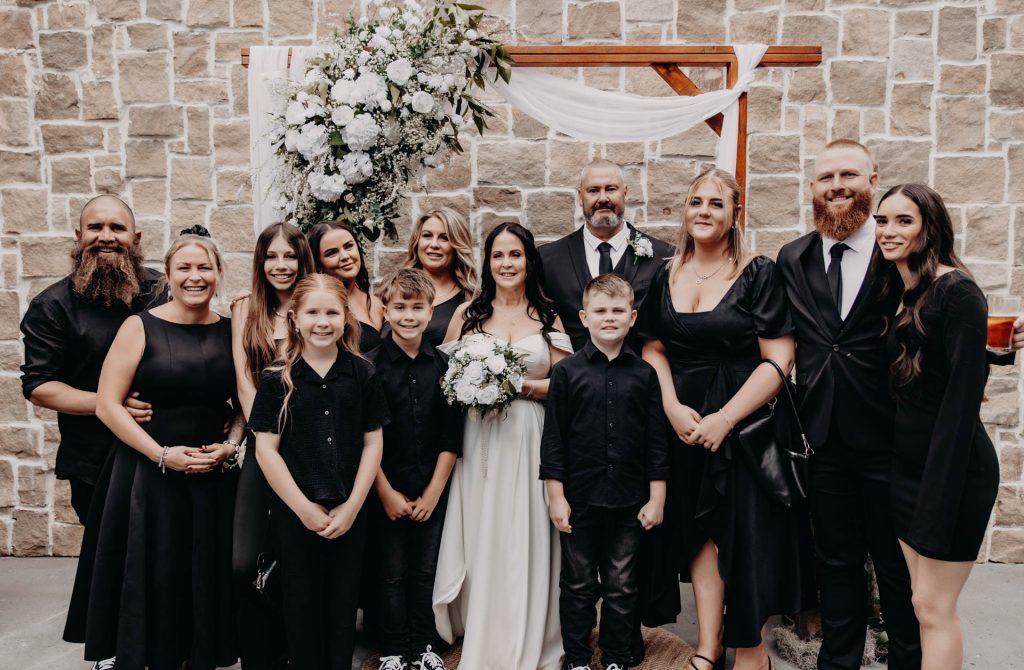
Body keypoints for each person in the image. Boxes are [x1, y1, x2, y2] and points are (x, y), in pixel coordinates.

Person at [638, 169, 815, 670]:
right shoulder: (664, 273)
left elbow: (779, 359)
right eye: (696, 201)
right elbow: (652, 346)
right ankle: (708, 645)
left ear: (735, 212)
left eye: (717, 203)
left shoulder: (758, 273)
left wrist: (725, 418)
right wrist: (671, 405)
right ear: (684, 209)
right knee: (700, 532)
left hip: (744, 422)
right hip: (684, 421)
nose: (704, 211)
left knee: (744, 534)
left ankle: (752, 649)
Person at [64, 227, 242, 670]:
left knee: (203, 571)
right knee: (155, 569)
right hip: (148, 470)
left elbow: (245, 403)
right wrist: (162, 455)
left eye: (204, 267)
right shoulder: (138, 326)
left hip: (212, 471)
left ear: (219, 273)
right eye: (185, 268)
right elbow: (108, 405)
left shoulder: (233, 330)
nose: (195, 276)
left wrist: (231, 445)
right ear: (168, 273)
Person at [776, 139, 924, 670]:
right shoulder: (791, 257)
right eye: (825, 177)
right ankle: (838, 663)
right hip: (824, 437)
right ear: (813, 188)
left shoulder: (899, 251)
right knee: (835, 562)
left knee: (895, 565)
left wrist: (990, 340)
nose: (837, 186)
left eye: (848, 175)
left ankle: (908, 659)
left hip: (890, 435)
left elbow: (945, 310)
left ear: (873, 180)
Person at [433, 222, 573, 670]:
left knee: (525, 531)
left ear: (529, 261)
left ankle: (529, 627)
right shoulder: (469, 316)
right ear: (488, 262)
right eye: (498, 256)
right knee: (481, 529)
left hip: (529, 435)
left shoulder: (546, 315)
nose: (507, 264)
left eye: (515, 255)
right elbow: (442, 379)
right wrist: (474, 386)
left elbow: (567, 385)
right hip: (479, 439)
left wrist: (518, 386)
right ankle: (483, 623)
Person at [873, 184, 999, 670]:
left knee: (932, 606)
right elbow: (938, 361)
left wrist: (935, 499)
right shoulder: (902, 289)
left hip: (952, 473)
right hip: (908, 470)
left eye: (904, 221)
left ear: (930, 226)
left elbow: (961, 402)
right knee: (917, 604)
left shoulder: (958, 290)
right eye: (883, 221)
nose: (888, 231)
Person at [249, 273, 388, 670]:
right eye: (312, 312)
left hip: (349, 512)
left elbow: (373, 442)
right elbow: (266, 449)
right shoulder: (278, 379)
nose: (322, 322)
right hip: (296, 516)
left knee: (343, 608)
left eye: (331, 312)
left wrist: (352, 508)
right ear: (294, 318)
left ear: (346, 318)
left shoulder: (363, 374)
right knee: (301, 605)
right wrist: (303, 509)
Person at [540, 274, 669, 670]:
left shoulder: (645, 374)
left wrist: (657, 496)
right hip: (580, 499)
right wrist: (556, 497)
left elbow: (657, 441)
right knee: (577, 586)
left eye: (617, 311)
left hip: (630, 501)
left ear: (632, 317)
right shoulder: (567, 373)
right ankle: (577, 658)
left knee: (622, 586)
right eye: (600, 311)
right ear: (584, 316)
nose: (609, 318)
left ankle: (614, 658)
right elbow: (554, 439)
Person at [20, 195, 164, 525]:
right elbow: (40, 387)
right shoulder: (52, 306)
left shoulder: (164, 291)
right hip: (96, 460)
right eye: (95, 227)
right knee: (109, 565)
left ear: (136, 238)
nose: (106, 236)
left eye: (117, 227)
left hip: (167, 448)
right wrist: (110, 404)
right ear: (78, 235)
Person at [367, 269, 463, 670]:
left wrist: (434, 493)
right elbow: (365, 437)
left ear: (430, 312)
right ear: (385, 311)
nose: (409, 316)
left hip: (431, 489)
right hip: (385, 487)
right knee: (390, 572)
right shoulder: (369, 367)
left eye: (418, 307)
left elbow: (451, 437)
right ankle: (392, 648)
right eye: (400, 307)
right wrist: (386, 492)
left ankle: (424, 645)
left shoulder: (445, 367)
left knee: (425, 570)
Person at [229, 222, 315, 670]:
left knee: (297, 558)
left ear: (303, 259)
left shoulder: (316, 304)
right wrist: (266, 441)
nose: (281, 266)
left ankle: (290, 650)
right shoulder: (246, 309)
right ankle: (259, 654)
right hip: (263, 449)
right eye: (271, 257)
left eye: (290, 256)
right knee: (244, 562)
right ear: (260, 262)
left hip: (311, 450)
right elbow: (245, 382)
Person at [540, 158, 673, 352]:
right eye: (593, 190)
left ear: (625, 192)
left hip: (642, 378)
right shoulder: (548, 259)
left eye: (611, 189)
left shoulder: (664, 257)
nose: (603, 198)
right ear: (580, 196)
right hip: (573, 378)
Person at [403, 208, 478, 345]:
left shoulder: (471, 299)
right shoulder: (393, 288)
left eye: (444, 238)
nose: (434, 244)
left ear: (457, 246)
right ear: (417, 241)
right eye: (427, 235)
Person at [308, 220, 386, 352]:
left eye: (349, 246)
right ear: (319, 263)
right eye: (332, 253)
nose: (344, 256)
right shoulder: (316, 306)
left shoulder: (376, 303)